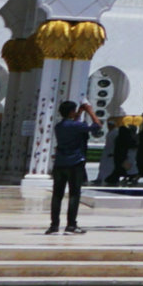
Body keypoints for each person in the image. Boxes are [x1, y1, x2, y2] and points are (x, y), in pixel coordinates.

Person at [46, 99, 96, 235]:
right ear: (71, 112)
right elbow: (97, 126)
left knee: (57, 195)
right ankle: (71, 225)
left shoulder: (59, 126)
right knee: (74, 194)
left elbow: (73, 124)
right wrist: (90, 111)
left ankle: (54, 225)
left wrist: (78, 112)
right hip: (75, 163)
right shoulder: (75, 126)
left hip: (60, 164)